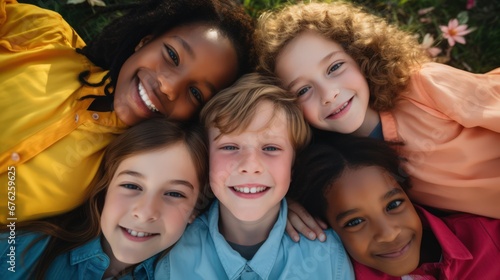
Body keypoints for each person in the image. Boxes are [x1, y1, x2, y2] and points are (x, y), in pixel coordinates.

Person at [0, 0, 254, 221]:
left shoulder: (126, 183)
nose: (168, 87)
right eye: (172, 55)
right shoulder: (45, 37)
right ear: (145, 41)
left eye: (196, 93)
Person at [256, 1, 500, 221]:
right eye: (303, 90)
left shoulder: (425, 86)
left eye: (335, 67)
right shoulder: (338, 167)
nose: (329, 94)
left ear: (360, 56)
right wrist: (284, 205)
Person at [154, 73, 354, 279]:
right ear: (206, 161)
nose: (250, 166)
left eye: (270, 148)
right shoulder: (173, 258)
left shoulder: (328, 257)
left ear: (293, 165)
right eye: (230, 147)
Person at [0, 118, 211, 279]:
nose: (145, 212)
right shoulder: (19, 249)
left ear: (194, 209)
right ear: (106, 188)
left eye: (174, 193)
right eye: (131, 186)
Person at [288, 135, 500, 279]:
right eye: (355, 222)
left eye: (394, 204)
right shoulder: (334, 272)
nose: (389, 234)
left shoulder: (488, 237)